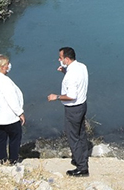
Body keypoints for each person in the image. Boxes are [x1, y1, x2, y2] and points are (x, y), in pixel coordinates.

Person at [47, 47, 89, 177]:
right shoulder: (81, 67)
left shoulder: (71, 76)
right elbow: (77, 81)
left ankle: (82, 167)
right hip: (82, 105)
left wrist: (56, 97)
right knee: (81, 134)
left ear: (67, 59)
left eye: (60, 57)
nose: (59, 59)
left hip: (73, 109)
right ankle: (82, 158)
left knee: (73, 138)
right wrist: (65, 71)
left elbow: (71, 95)